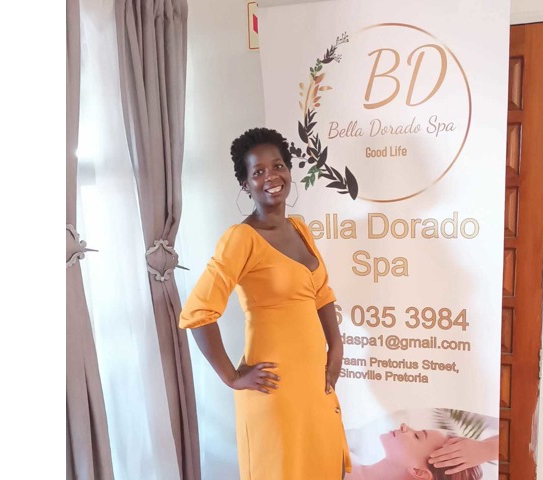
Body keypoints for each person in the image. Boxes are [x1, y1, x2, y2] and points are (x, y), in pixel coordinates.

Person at [179, 127, 351, 480]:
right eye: (258, 171)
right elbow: (198, 313)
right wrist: (232, 377)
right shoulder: (241, 238)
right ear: (245, 184)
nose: (271, 176)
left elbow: (321, 293)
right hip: (274, 388)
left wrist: (336, 346)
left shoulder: (299, 229)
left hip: (315, 382)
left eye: (278, 166)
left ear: (289, 171)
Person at [346, 423, 495, 480]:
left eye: (417, 436)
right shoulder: (347, 449)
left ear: (419, 472)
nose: (404, 426)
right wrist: (486, 448)